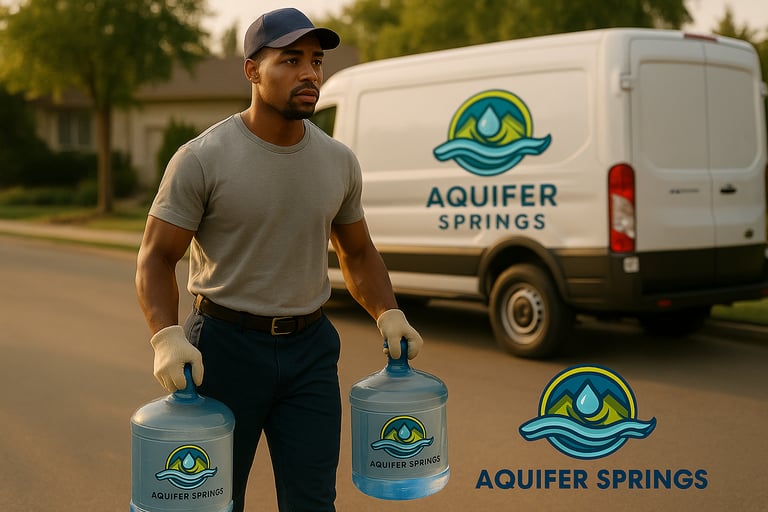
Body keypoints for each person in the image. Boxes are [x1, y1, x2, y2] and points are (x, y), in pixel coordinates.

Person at [134, 7, 423, 512]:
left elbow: (357, 250)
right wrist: (166, 335)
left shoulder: (338, 160)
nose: (309, 73)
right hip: (223, 352)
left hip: (310, 351)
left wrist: (388, 311)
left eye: (315, 61)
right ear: (252, 70)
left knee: (313, 501)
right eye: (291, 60)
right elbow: (157, 258)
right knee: (213, 500)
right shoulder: (203, 158)